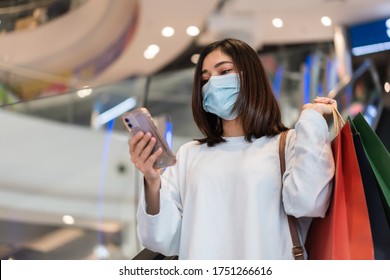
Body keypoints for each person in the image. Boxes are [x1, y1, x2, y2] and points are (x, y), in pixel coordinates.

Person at [128, 38, 336, 260]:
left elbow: (309, 203)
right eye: (205, 79)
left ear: (251, 76)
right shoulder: (190, 154)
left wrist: (311, 119)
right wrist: (152, 181)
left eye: (224, 71)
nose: (212, 84)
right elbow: (162, 239)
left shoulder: (286, 144)